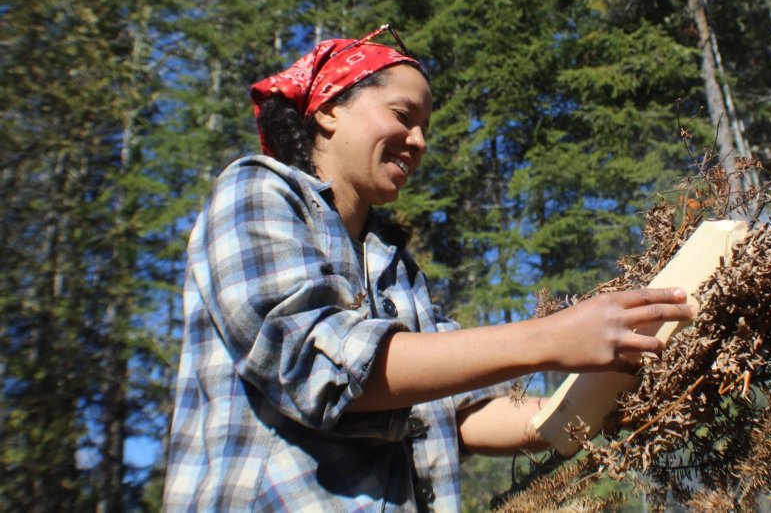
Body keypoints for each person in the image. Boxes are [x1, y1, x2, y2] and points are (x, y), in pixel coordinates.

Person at [162, 25, 697, 511]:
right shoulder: (256, 190)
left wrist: (623, 396)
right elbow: (317, 363)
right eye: (403, 115)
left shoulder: (396, 270)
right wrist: (554, 336)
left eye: (425, 128)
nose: (419, 142)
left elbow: (459, 415)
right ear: (327, 108)